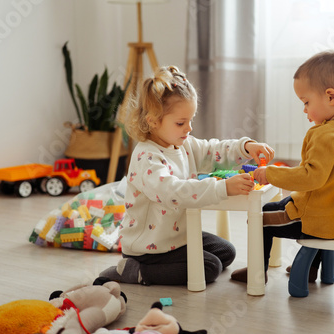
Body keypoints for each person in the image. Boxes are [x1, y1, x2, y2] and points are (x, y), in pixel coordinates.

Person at [100, 65, 274, 285]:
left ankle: (169, 262)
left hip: (177, 237)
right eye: (181, 123)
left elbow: (213, 151)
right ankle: (136, 271)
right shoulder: (147, 157)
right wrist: (223, 188)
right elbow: (174, 192)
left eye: (190, 120)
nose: (189, 128)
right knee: (210, 267)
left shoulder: (183, 144)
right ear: (153, 121)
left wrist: (245, 147)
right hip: (149, 249)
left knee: (226, 252)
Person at [231, 50, 334, 283]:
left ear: (330, 97)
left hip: (318, 219)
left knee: (259, 216)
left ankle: (258, 271)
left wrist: (270, 174)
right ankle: (310, 267)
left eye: (306, 102)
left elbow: (311, 177)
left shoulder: (325, 135)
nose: (304, 109)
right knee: (284, 204)